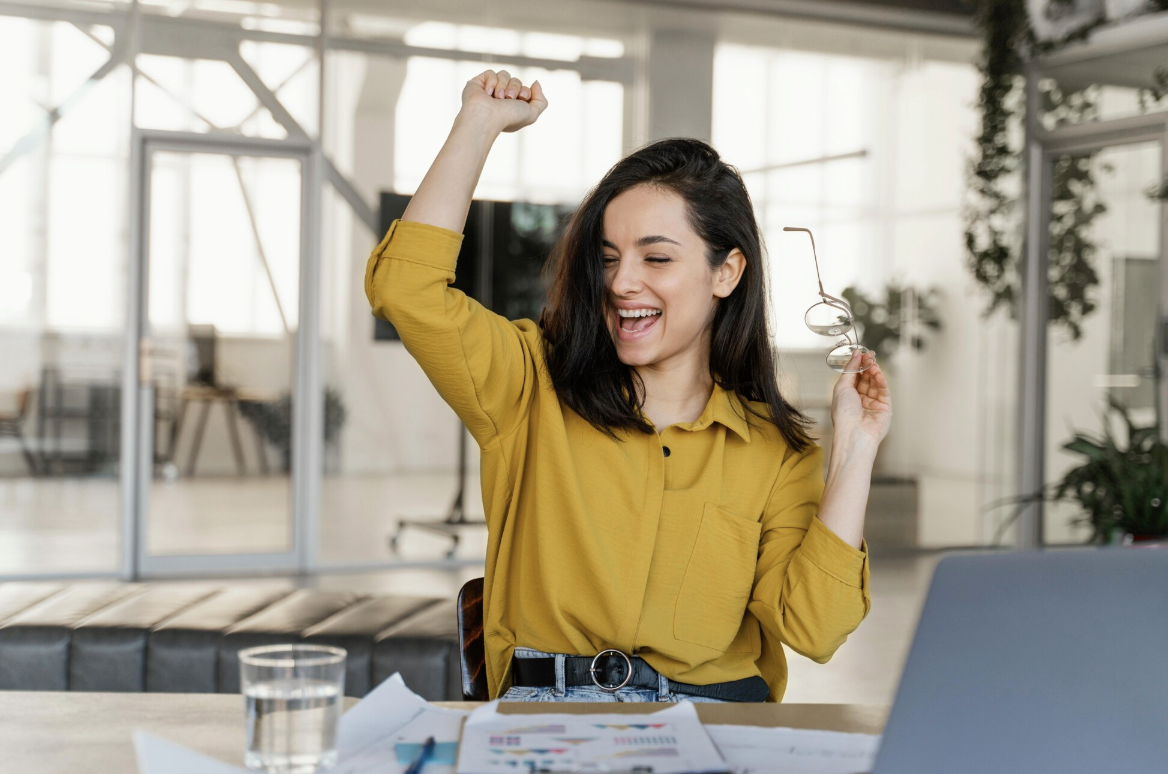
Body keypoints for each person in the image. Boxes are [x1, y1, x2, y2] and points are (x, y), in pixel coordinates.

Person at [364, 69, 893, 703]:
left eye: (657, 257)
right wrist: (477, 125)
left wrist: (855, 450)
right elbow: (406, 290)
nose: (621, 282)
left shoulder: (776, 452)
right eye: (609, 257)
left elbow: (815, 628)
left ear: (727, 272)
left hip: (712, 719)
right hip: (549, 716)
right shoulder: (529, 385)